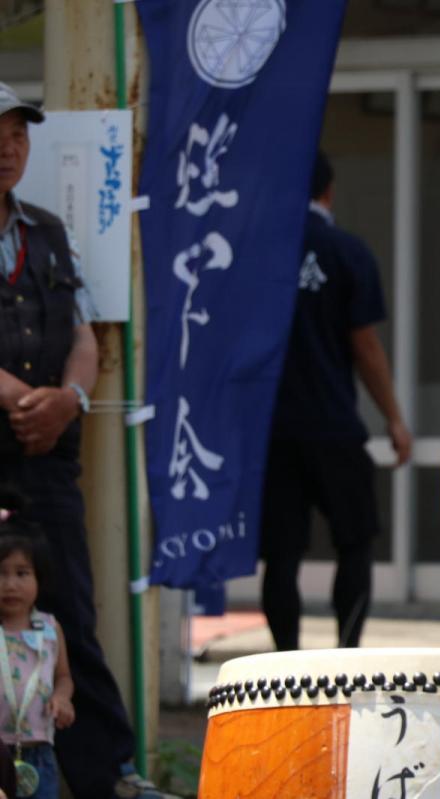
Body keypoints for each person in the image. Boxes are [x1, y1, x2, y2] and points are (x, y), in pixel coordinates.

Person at [0, 82, 173, 799]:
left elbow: (81, 333)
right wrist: (24, 400)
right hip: (13, 431)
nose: (9, 149)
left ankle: (109, 776)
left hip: (47, 456)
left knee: (68, 604)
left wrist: (69, 400)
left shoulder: (45, 229)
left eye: (18, 135)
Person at [260, 151, 413, 652]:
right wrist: (394, 418)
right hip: (333, 425)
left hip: (273, 430)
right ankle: (346, 653)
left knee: (281, 553)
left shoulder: (257, 252)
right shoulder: (346, 250)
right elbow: (364, 345)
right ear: (328, 191)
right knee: (355, 542)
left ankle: (284, 661)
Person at [0, 490, 73, 799]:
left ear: (39, 578)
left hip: (40, 754)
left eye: (22, 573)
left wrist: (62, 698)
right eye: (0, 574)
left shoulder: (50, 629)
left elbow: (63, 676)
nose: (10, 584)